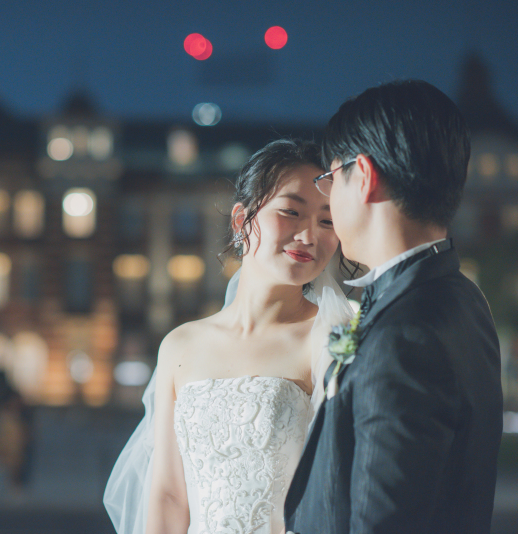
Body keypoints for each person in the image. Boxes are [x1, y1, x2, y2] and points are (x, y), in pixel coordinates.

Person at [284, 80, 503, 533]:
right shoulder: (462, 298)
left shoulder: (404, 334)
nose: (329, 197)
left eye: (330, 177)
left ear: (362, 176)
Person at [105, 139, 354, 534]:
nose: (309, 235)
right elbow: (168, 493)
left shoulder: (333, 338)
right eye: (291, 211)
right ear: (241, 221)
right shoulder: (180, 345)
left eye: (327, 221)